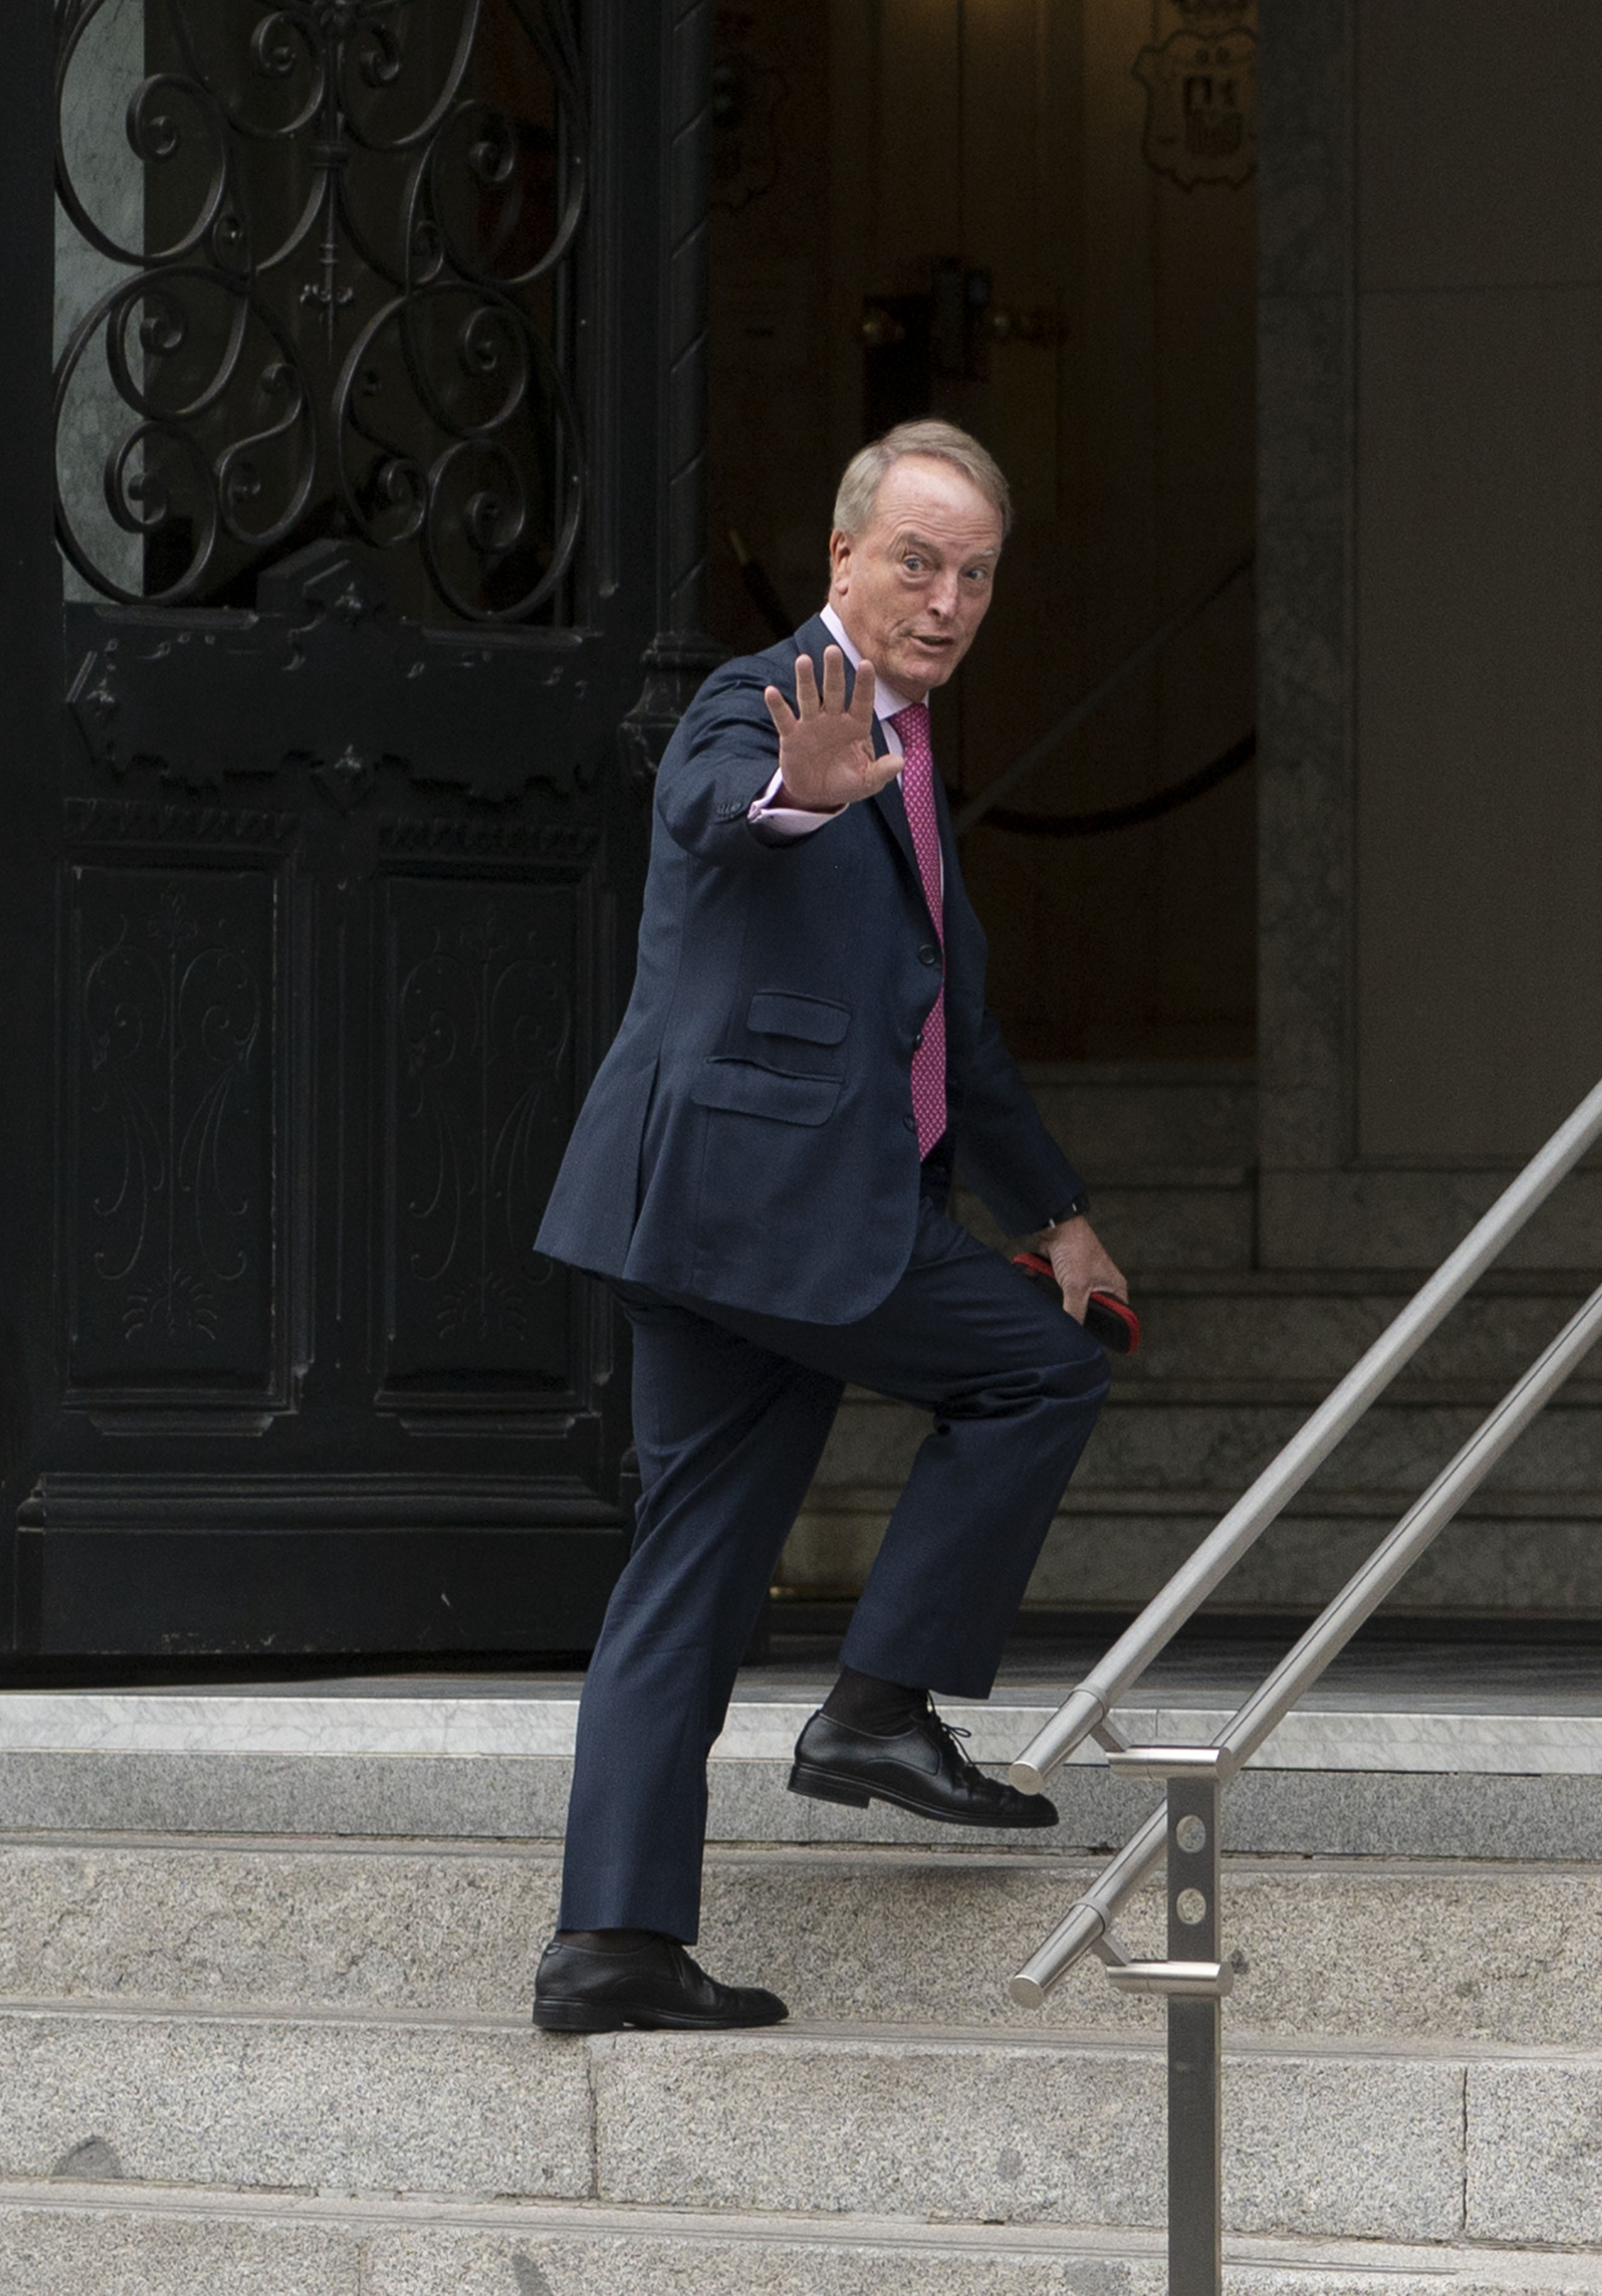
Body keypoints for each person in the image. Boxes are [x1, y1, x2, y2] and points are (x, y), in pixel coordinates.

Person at [527, 418, 1132, 2034]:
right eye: (916, 563)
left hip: (705, 1229)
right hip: (779, 1214)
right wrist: (792, 797)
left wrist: (1056, 1215)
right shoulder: (772, 700)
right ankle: (874, 1710)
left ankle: (612, 1946)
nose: (943, 599)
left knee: (690, 1579)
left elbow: (960, 1040)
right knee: (1035, 1380)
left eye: (976, 576)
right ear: (843, 559)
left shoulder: (917, 758)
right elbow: (715, 805)